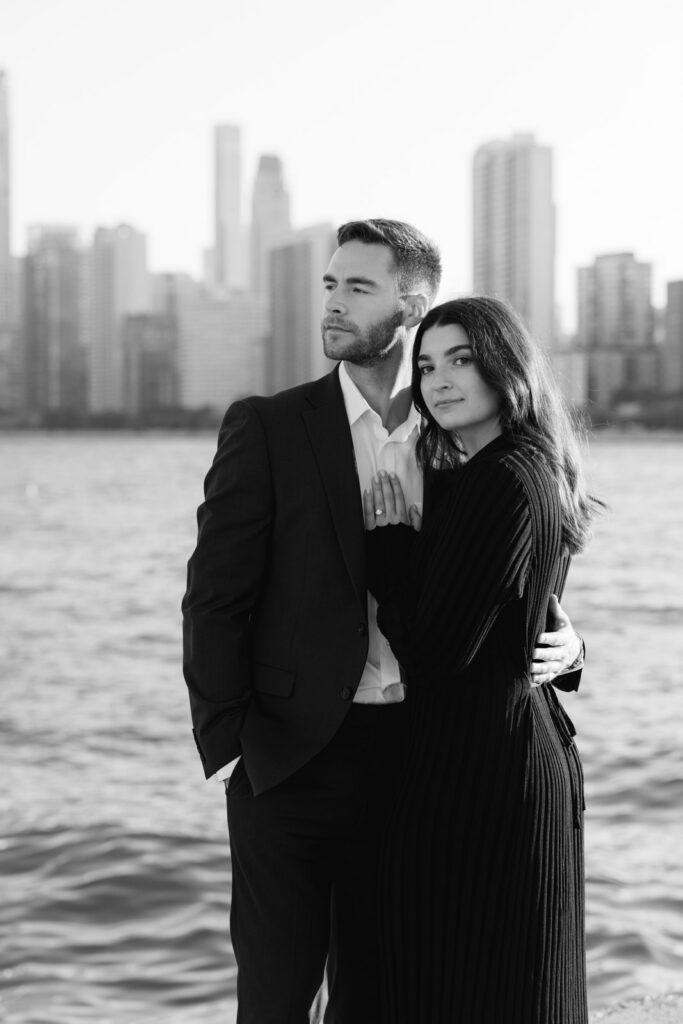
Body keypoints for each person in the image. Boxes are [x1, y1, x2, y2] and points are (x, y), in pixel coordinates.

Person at [181, 221, 584, 1024]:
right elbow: (214, 596)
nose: (331, 303)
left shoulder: (463, 446)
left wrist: (572, 647)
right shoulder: (270, 425)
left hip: (417, 764)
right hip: (293, 761)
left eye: (355, 287)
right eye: (329, 285)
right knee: (275, 998)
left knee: (384, 994)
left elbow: (505, 585)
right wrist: (232, 745)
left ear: (413, 304)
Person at [363, 296, 596, 1024]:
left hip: (488, 772)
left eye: (460, 359)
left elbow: (436, 651)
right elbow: (524, 619)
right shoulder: (507, 469)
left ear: (505, 366)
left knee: (487, 987)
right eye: (426, 364)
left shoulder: (502, 478)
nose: (438, 379)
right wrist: (575, 649)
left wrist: (389, 547)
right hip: (497, 753)